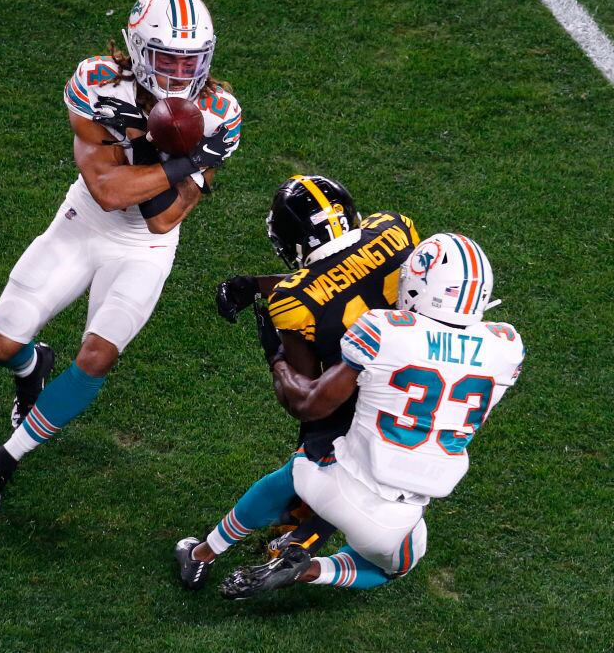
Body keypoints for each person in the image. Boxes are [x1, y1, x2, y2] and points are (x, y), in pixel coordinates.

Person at [0, 0, 242, 515]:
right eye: (167, 59)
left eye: (191, 62)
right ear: (138, 49)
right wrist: (186, 160)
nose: (180, 75)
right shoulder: (97, 84)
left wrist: (148, 153)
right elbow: (108, 191)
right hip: (84, 223)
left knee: (96, 357)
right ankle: (32, 367)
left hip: (145, 248)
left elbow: (163, 218)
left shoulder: (218, 114)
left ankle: (6, 458)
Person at [177, 233, 525, 597]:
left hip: (331, 482)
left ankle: (202, 554)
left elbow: (312, 404)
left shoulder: (385, 329)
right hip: (399, 519)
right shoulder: (507, 346)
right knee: (392, 569)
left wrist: (277, 358)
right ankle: (309, 570)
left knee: (300, 465)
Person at [175, 175, 421, 587]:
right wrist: (259, 286)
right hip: (422, 384)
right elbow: (353, 273)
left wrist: (275, 355)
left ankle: (212, 552)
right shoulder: (396, 229)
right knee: (372, 496)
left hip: (355, 396)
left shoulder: (293, 301)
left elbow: (303, 397)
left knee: (311, 460)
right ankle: (300, 534)